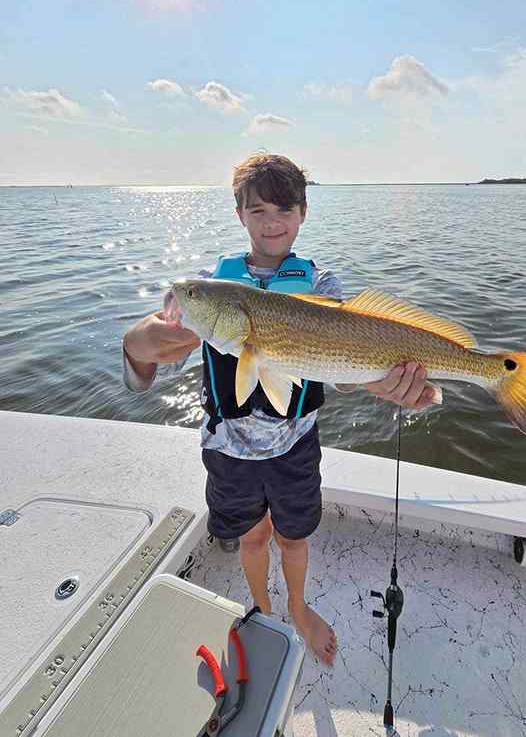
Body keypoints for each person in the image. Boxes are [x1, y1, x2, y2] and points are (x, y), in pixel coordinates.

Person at [122, 153, 438, 666]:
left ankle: (297, 604)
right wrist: (137, 343)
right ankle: (263, 610)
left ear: (304, 212)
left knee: (294, 538)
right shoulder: (210, 288)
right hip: (228, 451)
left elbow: (346, 368)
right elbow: (150, 363)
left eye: (285, 209)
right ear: (239, 214)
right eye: (259, 210)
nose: (272, 222)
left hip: (296, 447)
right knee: (253, 538)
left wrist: (390, 384)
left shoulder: (321, 285)